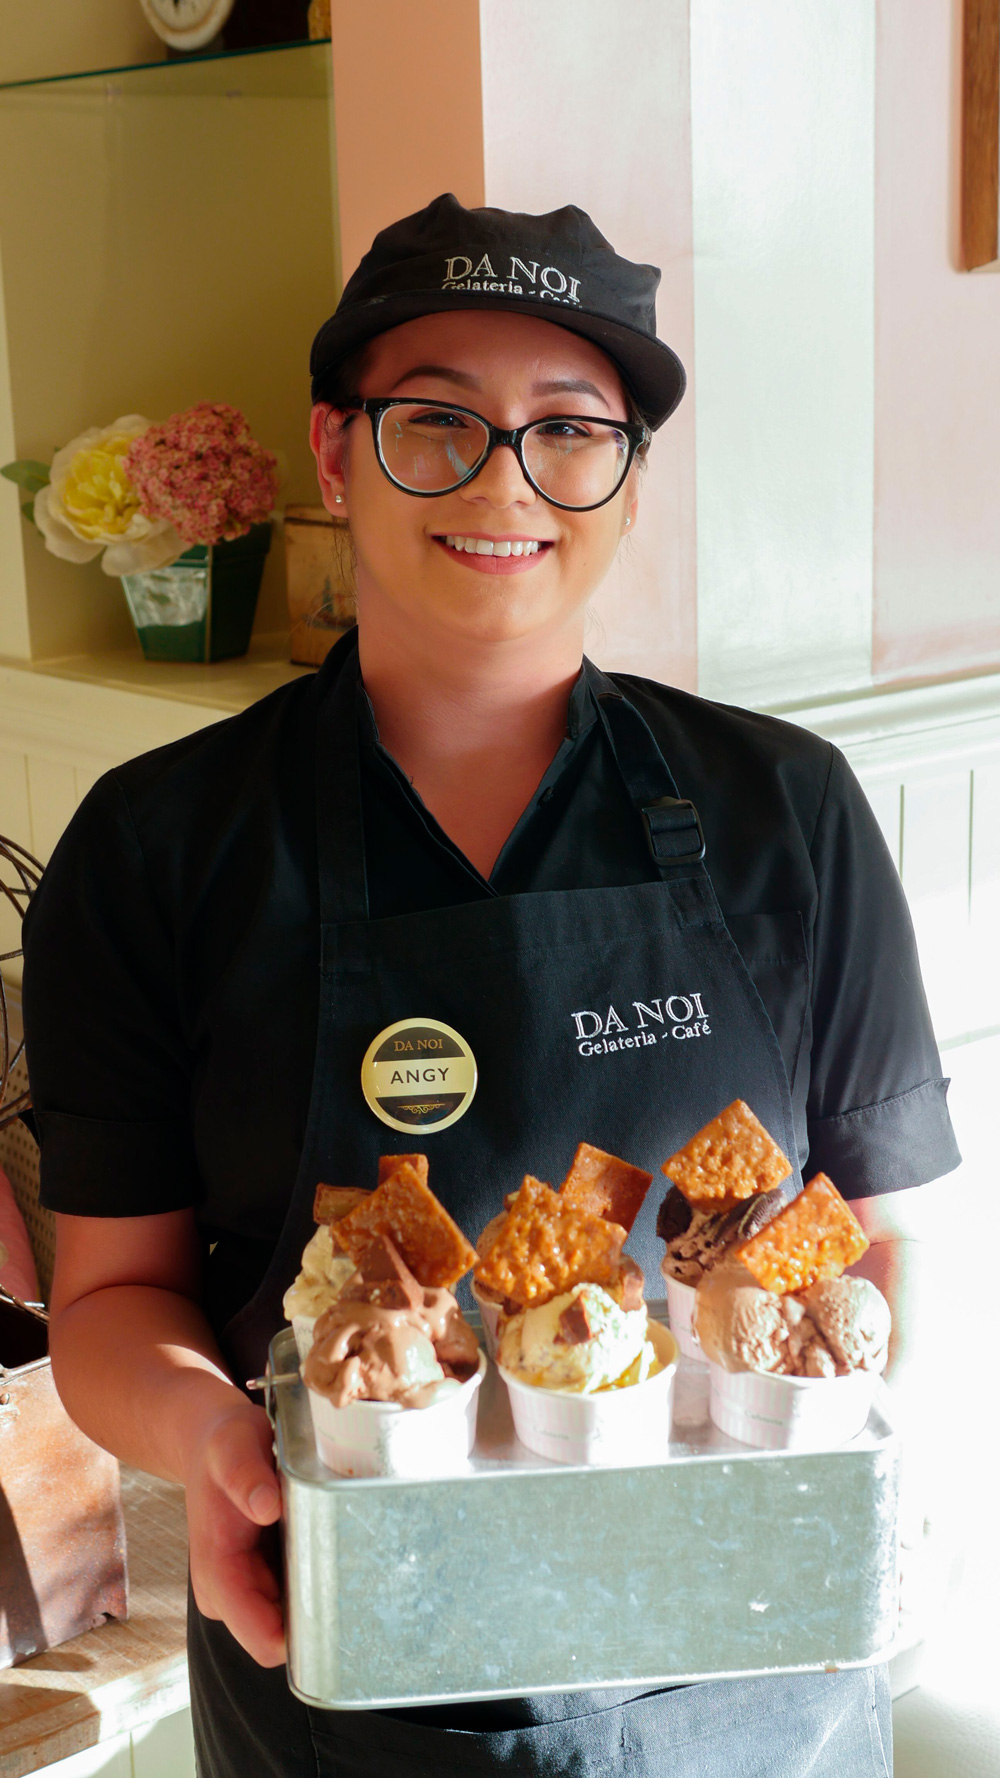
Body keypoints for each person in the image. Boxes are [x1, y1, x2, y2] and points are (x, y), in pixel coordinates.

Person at [22, 193, 958, 1778]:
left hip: (744, 1690)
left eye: (569, 429)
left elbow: (880, 1235)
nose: (504, 480)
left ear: (629, 479)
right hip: (344, 1679)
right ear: (335, 454)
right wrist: (224, 1448)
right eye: (437, 421)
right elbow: (112, 1301)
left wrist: (859, 1460)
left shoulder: (785, 810)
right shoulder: (158, 847)